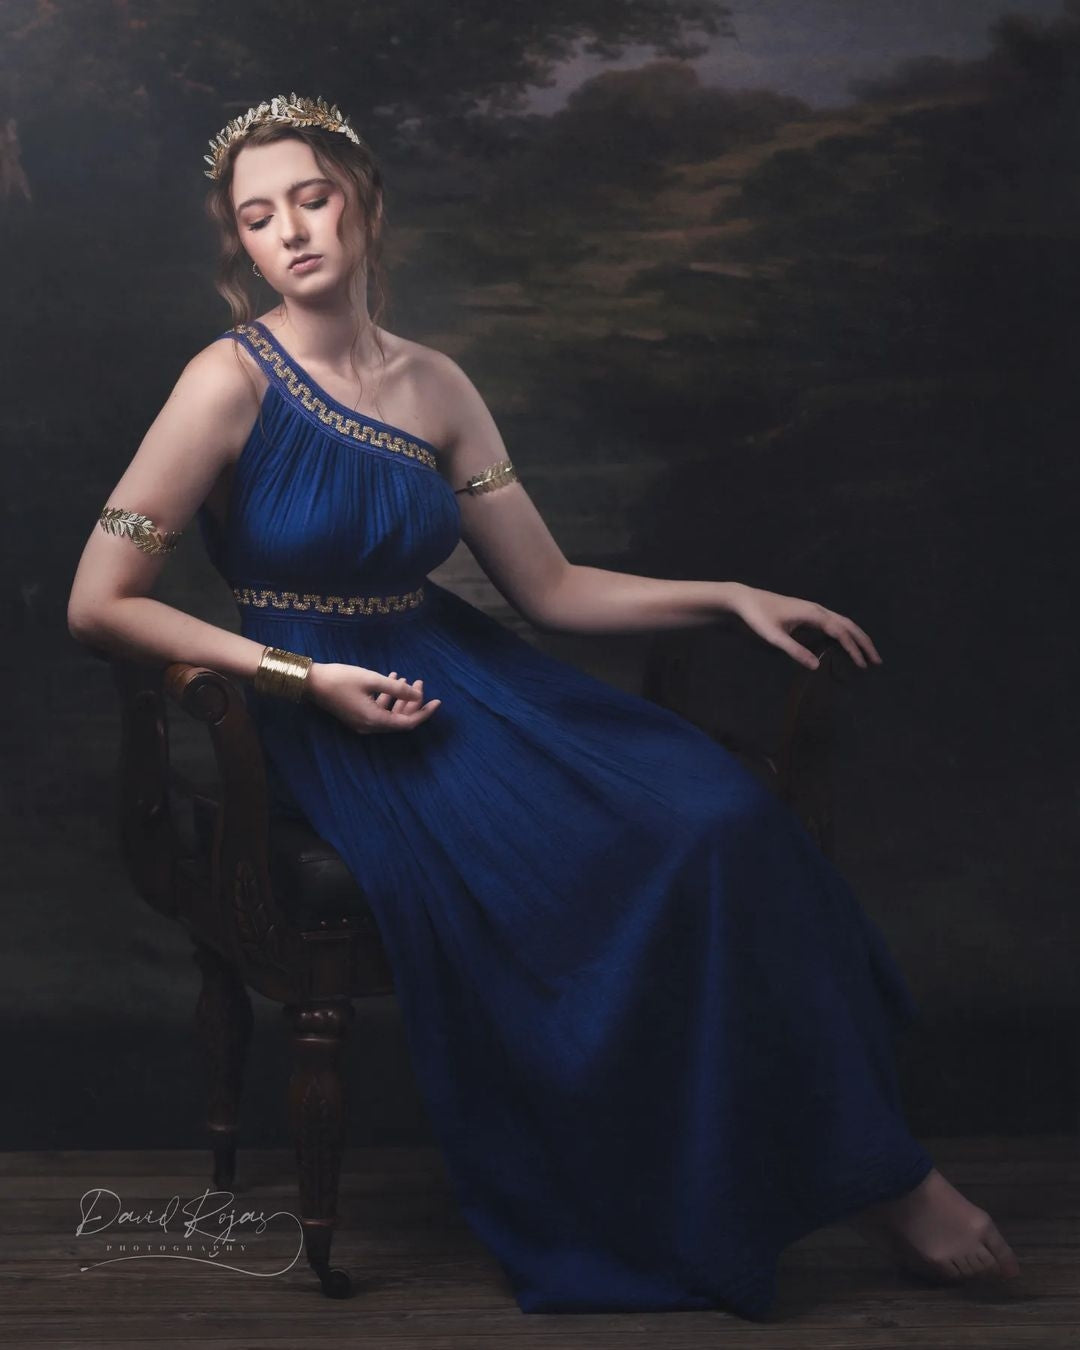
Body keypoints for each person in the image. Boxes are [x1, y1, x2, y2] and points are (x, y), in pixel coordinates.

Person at [67, 93, 1021, 1318]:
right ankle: (892, 1187)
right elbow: (99, 602)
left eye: (311, 198)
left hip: (460, 669)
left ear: (360, 202)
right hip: (321, 703)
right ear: (240, 244)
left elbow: (551, 589)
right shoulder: (225, 381)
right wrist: (305, 679)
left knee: (721, 818)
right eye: (259, 217)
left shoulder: (436, 384)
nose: (291, 232)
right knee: (635, 859)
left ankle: (852, 1157)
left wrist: (728, 595)